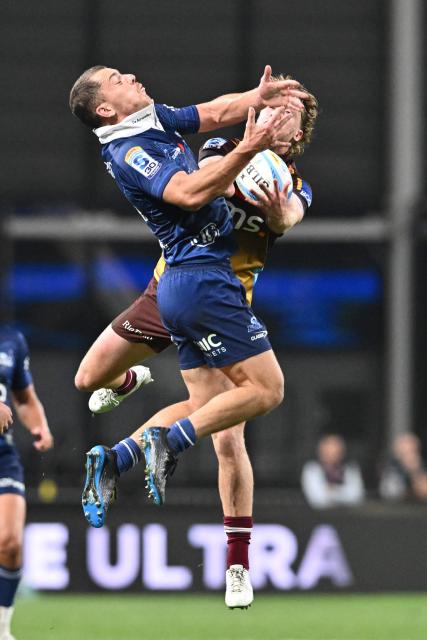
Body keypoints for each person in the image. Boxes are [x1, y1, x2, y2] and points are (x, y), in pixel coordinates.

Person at [74, 79, 318, 608]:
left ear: (298, 136)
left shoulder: (294, 184)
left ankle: (235, 567)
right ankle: (133, 383)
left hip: (222, 299)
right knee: (89, 379)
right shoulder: (220, 149)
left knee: (226, 435)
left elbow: (288, 217)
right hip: (172, 284)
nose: (282, 113)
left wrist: (276, 214)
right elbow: (202, 175)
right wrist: (240, 157)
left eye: (293, 113)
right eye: (277, 104)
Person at [0, 326, 53, 640]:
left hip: (2, 454)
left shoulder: (11, 340)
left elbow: (24, 398)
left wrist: (39, 426)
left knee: (10, 543)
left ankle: (2, 630)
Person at [301, 434, 365, 509]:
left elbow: (356, 496)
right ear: (320, 451)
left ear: (342, 452)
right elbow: (318, 499)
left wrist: (330, 490)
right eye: (328, 451)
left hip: (348, 516)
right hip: (318, 517)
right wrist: (343, 491)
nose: (332, 455)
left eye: (336, 451)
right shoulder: (312, 469)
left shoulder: (350, 469)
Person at [379, 432, 427, 502]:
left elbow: (424, 491)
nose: (408, 455)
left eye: (411, 451)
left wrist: (414, 470)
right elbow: (391, 493)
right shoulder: (391, 468)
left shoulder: (420, 467)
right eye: (404, 452)